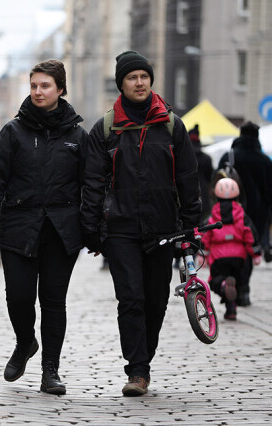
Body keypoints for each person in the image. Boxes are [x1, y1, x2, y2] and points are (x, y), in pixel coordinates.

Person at [80, 51, 201, 397]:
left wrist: (191, 229)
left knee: (156, 300)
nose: (139, 82)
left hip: (164, 230)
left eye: (144, 77)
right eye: (132, 78)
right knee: (131, 299)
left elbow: (188, 181)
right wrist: (91, 228)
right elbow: (92, 181)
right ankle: (137, 370)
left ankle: (143, 359)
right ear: (122, 84)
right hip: (120, 230)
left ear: (150, 81)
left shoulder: (172, 126)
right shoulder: (106, 129)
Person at [0, 59, 87, 395]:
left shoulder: (77, 136)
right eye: (34, 86)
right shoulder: (13, 131)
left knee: (54, 301)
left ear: (61, 89)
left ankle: (50, 370)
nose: (38, 92)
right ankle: (25, 342)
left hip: (61, 230)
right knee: (19, 297)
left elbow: (92, 184)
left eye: (45, 86)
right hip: (18, 227)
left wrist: (92, 228)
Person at [217, 121, 272, 305]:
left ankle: (226, 283)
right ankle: (243, 289)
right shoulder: (265, 161)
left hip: (228, 212)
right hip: (257, 215)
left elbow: (215, 183)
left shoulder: (229, 156)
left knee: (226, 247)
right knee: (248, 250)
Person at [197, 178, 260, 321]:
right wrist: (256, 253)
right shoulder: (242, 215)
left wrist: (203, 254)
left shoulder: (213, 215)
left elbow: (205, 235)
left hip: (219, 257)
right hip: (239, 257)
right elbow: (250, 234)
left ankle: (224, 285)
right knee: (236, 283)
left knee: (216, 281)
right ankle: (231, 310)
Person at [189, 125, 214, 223]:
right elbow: (209, 178)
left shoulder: (183, 158)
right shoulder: (206, 159)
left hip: (187, 196)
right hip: (204, 197)